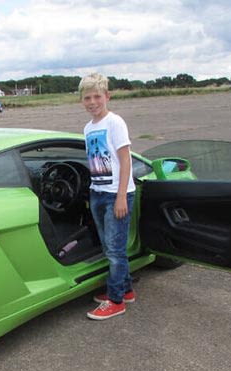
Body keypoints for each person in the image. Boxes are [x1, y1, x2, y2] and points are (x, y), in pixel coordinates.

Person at [80, 73, 136, 321]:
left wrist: (121, 196)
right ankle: (126, 289)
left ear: (107, 96)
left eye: (97, 96)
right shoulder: (88, 128)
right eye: (87, 98)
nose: (92, 102)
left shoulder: (115, 122)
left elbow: (125, 160)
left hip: (116, 194)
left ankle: (116, 301)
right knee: (108, 247)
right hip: (97, 192)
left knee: (115, 251)